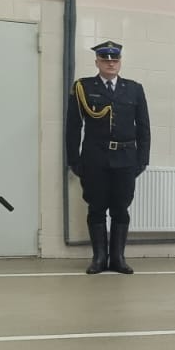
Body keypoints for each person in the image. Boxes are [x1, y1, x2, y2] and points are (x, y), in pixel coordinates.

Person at [66, 40, 150, 275]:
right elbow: (73, 127)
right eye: (105, 60)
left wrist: (142, 159)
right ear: (97, 62)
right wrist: (73, 159)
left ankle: (118, 259)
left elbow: (144, 127)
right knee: (96, 207)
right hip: (95, 158)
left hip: (126, 158)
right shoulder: (83, 87)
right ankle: (99, 258)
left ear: (120, 62)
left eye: (115, 60)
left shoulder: (134, 89)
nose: (110, 63)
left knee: (121, 208)